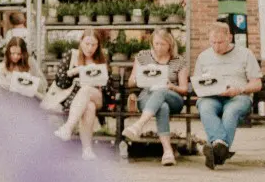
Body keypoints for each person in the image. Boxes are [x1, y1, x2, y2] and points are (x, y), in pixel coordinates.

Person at [193, 20, 262, 169]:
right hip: (212, 97)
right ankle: (220, 149)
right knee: (204, 106)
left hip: (238, 97)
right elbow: (197, 84)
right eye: (213, 43)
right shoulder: (203, 57)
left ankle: (216, 149)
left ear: (229, 38)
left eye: (220, 42)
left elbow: (257, 84)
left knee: (231, 111)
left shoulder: (245, 54)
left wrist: (240, 89)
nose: (216, 47)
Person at [121, 28, 189, 166]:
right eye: (156, 44)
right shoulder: (143, 56)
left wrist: (171, 86)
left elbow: (184, 89)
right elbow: (131, 82)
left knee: (161, 89)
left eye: (162, 44)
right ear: (152, 43)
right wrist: (138, 78)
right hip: (147, 95)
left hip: (172, 97)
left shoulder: (179, 60)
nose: (159, 47)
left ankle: (138, 125)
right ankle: (168, 152)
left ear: (170, 44)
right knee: (161, 107)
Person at [52, 29, 109, 159]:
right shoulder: (71, 56)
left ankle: (68, 127)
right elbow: (60, 82)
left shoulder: (102, 59)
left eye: (93, 45)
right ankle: (87, 150)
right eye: (87, 44)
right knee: (89, 107)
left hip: (98, 96)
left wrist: (99, 76)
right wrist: (75, 71)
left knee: (87, 89)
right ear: (81, 42)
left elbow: (109, 88)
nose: (90, 48)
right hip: (75, 99)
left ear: (98, 45)